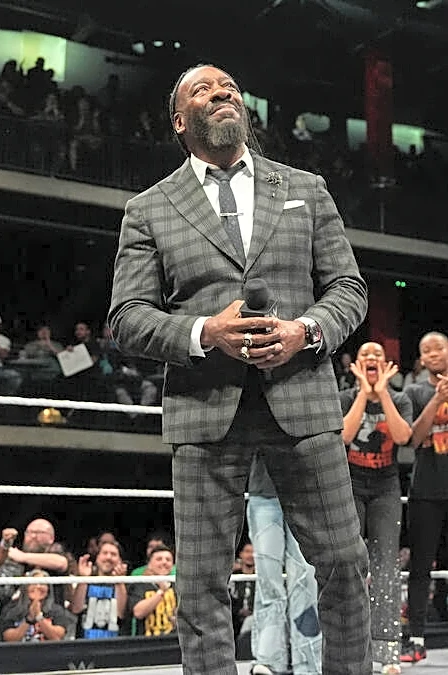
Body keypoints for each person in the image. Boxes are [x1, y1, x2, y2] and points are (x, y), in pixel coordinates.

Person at [107, 63, 371, 675]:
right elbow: (126, 317)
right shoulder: (149, 208)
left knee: (344, 561)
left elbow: (348, 288)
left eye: (228, 86)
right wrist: (206, 332)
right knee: (200, 584)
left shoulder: (306, 188)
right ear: (180, 122)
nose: (222, 92)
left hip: (302, 400)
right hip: (204, 410)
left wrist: (305, 331)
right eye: (203, 89)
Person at [340, 341, 412, 675]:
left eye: (377, 355)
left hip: (385, 488)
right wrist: (362, 393)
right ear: (356, 365)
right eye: (365, 355)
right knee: (351, 564)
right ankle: (353, 647)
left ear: (386, 365)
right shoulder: (344, 397)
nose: (371, 357)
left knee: (386, 566)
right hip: (351, 487)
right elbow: (344, 436)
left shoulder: (399, 398)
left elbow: (402, 437)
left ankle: (388, 653)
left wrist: (382, 393)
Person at [246, 456, 321, 675]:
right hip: (264, 493)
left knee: (305, 579)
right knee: (268, 579)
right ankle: (268, 659)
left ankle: (308, 663)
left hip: (305, 493)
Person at [400, 331, 448, 664]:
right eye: (426, 351)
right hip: (426, 490)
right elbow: (412, 440)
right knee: (420, 567)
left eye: (438, 348)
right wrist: (437, 399)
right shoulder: (414, 392)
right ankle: (415, 638)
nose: (432, 355)